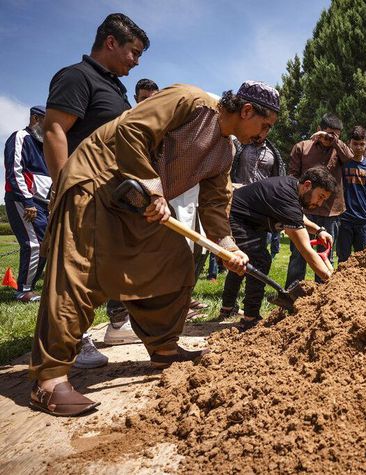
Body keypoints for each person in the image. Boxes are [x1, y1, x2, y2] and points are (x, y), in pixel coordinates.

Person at [29, 81, 279, 417]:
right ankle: (49, 380)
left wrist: (227, 247)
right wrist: (154, 190)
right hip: (98, 182)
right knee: (79, 272)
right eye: (264, 126)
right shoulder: (189, 101)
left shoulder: (226, 152)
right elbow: (132, 131)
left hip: (139, 201)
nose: (263, 136)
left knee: (175, 261)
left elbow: (216, 203)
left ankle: (163, 348)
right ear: (247, 110)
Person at [44, 13, 150, 362]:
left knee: (107, 267)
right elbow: (55, 131)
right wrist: (64, 189)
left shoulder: (117, 89)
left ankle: (112, 325)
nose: (136, 62)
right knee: (74, 270)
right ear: (110, 43)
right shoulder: (77, 77)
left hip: (112, 195)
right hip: (81, 190)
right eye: (133, 52)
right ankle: (72, 342)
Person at [226, 166, 337, 330]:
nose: (319, 203)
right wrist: (332, 281)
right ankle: (250, 318)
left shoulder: (293, 189)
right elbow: (305, 249)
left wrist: (318, 230)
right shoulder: (286, 196)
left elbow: (298, 217)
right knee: (258, 260)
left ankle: (227, 308)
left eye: (323, 200)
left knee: (243, 260)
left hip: (249, 220)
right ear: (307, 185)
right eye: (320, 197)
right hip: (236, 217)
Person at [219, 134, 285, 319]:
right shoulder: (240, 147)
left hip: (260, 211)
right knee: (241, 256)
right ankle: (243, 312)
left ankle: (231, 307)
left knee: (245, 258)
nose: (263, 132)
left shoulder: (272, 152)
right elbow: (225, 171)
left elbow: (275, 180)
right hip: (238, 205)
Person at [285, 113, 354, 287]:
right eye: (328, 133)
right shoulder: (302, 147)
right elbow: (292, 177)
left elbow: (350, 157)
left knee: (326, 254)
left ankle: (323, 294)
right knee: (298, 253)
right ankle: (293, 291)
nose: (331, 138)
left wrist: (335, 140)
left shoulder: (339, 151)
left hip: (331, 210)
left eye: (336, 134)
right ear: (318, 129)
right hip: (304, 211)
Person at [3, 106, 51, 303]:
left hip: (44, 203)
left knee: (45, 245)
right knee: (33, 245)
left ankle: (31, 284)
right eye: (48, 122)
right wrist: (28, 201)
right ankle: (23, 290)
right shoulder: (20, 137)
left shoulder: (45, 144)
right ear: (35, 119)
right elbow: (15, 171)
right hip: (23, 201)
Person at [336, 126, 366, 263]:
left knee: (363, 260)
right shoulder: (342, 164)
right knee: (343, 258)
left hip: (363, 219)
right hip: (344, 218)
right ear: (349, 142)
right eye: (355, 144)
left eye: (362, 144)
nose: (358, 147)